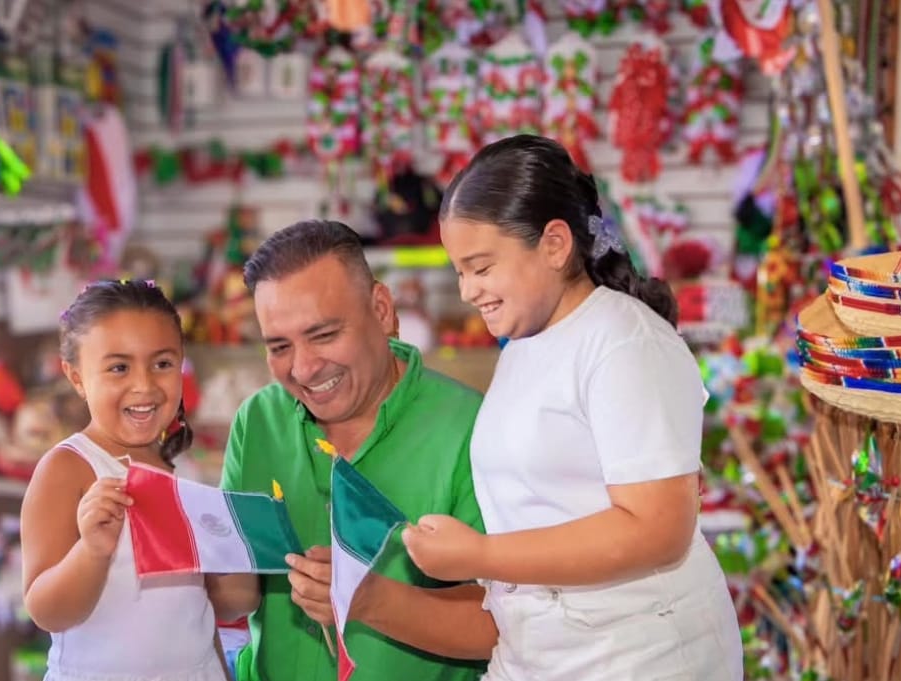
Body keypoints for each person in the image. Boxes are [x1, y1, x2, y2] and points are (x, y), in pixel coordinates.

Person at [401, 135, 745, 681]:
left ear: (555, 244)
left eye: (481, 267)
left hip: (638, 658)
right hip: (543, 654)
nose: (468, 291)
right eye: (459, 271)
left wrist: (480, 557)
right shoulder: (529, 342)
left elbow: (657, 528)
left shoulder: (625, 341)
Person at [212, 219, 495, 681]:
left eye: (323, 335)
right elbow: (236, 592)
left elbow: (501, 623)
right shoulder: (257, 420)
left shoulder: (471, 427)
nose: (303, 368)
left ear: (382, 309)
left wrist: (367, 600)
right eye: (279, 346)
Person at [20, 279, 255, 681]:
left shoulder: (187, 471)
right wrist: (92, 552)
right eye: (119, 367)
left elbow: (221, 607)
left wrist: (234, 561)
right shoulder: (69, 468)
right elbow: (46, 611)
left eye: (163, 363)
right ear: (76, 377)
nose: (144, 385)